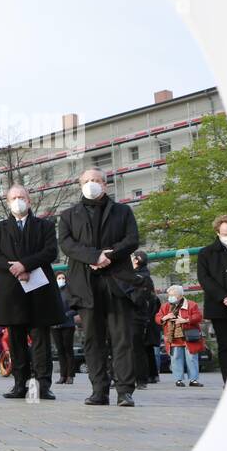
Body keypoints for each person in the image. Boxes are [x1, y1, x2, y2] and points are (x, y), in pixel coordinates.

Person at [58, 168, 140, 406]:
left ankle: (125, 391)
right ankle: (99, 390)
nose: (91, 184)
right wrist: (95, 257)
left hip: (118, 283)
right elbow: (67, 244)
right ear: (80, 185)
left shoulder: (123, 211)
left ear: (105, 185)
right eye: (86, 181)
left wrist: (109, 256)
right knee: (93, 340)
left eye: (96, 180)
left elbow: (132, 239)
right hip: (85, 284)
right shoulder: (68, 215)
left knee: (121, 338)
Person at [196, 214, 227, 382]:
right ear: (218, 232)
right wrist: (224, 297)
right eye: (226, 233)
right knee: (225, 345)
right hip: (218, 307)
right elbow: (204, 278)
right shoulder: (206, 253)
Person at [156, 284, 204, 388]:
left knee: (192, 358)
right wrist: (165, 317)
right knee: (176, 358)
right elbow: (158, 317)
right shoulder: (166, 306)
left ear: (180, 295)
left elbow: (198, 317)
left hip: (189, 336)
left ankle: (193, 380)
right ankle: (178, 379)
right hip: (173, 337)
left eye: (173, 295)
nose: (170, 297)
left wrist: (186, 320)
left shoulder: (191, 304)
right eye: (169, 295)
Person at [129, 250, 161, 389]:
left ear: (136, 260)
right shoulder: (134, 276)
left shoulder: (142, 277)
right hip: (134, 316)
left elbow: (138, 299)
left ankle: (141, 379)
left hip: (136, 316)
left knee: (137, 348)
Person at [53, 272, 79, 384]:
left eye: (63, 278)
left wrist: (67, 315)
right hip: (55, 325)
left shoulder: (69, 291)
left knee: (68, 349)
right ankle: (62, 375)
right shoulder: (52, 291)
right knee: (60, 350)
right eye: (59, 278)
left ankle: (70, 375)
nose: (61, 279)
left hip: (68, 324)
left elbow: (76, 308)